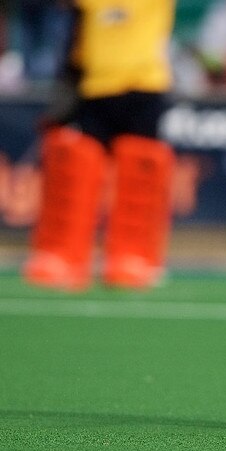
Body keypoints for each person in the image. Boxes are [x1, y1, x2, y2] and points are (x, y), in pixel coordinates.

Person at [23, 0, 176, 291]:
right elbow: (75, 38)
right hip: (93, 90)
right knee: (76, 173)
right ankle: (65, 257)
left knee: (139, 177)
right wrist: (64, 94)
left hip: (142, 89)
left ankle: (132, 258)